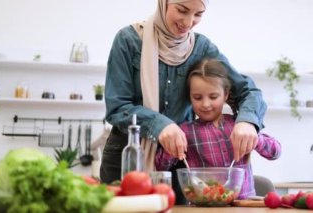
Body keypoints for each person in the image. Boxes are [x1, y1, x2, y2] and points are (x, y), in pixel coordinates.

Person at [101, 0, 267, 202]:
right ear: (164, 3)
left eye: (198, 14)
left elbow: (248, 90)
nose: (189, 22)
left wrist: (247, 122)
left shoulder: (201, 47)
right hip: (127, 157)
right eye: (182, 10)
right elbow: (117, 106)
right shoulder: (128, 40)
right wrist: (160, 125)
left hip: (178, 164)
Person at [155, 58, 281, 199]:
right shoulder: (184, 131)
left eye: (213, 96)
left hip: (244, 207)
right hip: (205, 206)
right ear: (189, 98)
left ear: (225, 94)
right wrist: (171, 148)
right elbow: (159, 166)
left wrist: (256, 139)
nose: (206, 104)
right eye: (197, 97)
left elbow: (275, 152)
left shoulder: (239, 125)